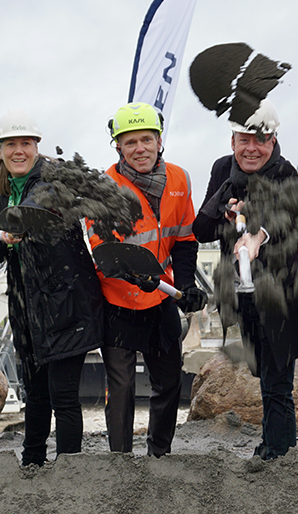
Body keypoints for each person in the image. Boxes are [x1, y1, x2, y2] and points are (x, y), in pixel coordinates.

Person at [192, 99, 298, 460]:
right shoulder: (222, 169)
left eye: (260, 140)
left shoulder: (284, 173)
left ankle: (279, 455)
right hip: (244, 293)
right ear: (232, 141)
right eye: (244, 140)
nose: (252, 148)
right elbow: (201, 229)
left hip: (283, 291)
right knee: (262, 372)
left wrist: (257, 234)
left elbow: (288, 223)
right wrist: (225, 204)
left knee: (277, 380)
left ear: (273, 140)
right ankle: (270, 444)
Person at [0, 108, 104, 467]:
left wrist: (6, 228)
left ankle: (69, 468)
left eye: (26, 144)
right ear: (0, 150)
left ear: (36, 146)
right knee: (35, 394)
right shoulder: (4, 191)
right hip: (27, 308)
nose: (19, 151)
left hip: (66, 304)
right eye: (10, 144)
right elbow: (5, 246)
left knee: (63, 396)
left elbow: (31, 214)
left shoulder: (53, 180)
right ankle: (32, 462)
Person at [87, 102, 207, 457]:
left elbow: (184, 240)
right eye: (130, 142)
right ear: (118, 147)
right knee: (122, 388)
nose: (139, 149)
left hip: (159, 298)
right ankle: (121, 462)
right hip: (118, 301)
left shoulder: (180, 179)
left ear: (159, 141)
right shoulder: (103, 188)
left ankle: (159, 455)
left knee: (169, 382)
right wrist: (135, 275)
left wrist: (186, 284)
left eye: (146, 140)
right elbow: (102, 250)